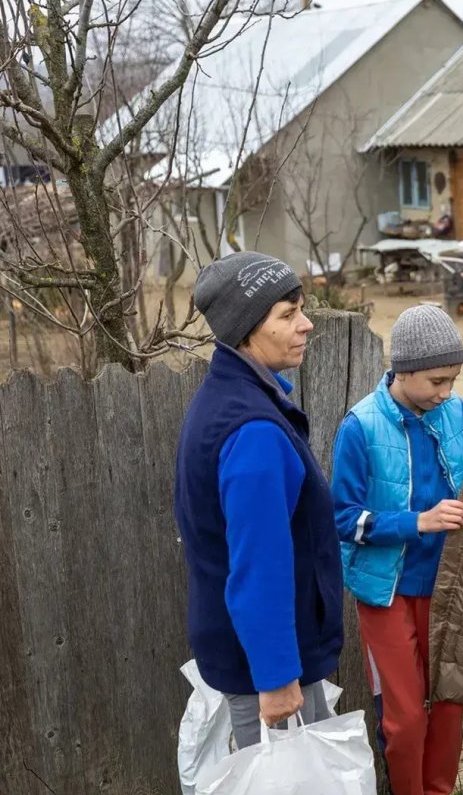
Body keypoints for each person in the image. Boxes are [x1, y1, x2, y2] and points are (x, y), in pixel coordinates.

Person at [174, 251, 344, 748]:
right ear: (246, 329)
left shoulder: (229, 401)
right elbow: (257, 562)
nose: (306, 325)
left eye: (301, 310)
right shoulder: (252, 430)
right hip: (263, 666)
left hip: (258, 652)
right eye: (287, 314)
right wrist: (275, 676)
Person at [330, 304, 463, 795]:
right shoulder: (359, 426)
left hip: (449, 585)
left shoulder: (457, 413)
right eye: (438, 381)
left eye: (453, 380)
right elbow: (342, 519)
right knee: (403, 719)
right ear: (402, 370)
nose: (447, 393)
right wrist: (417, 522)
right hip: (386, 592)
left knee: (450, 707)